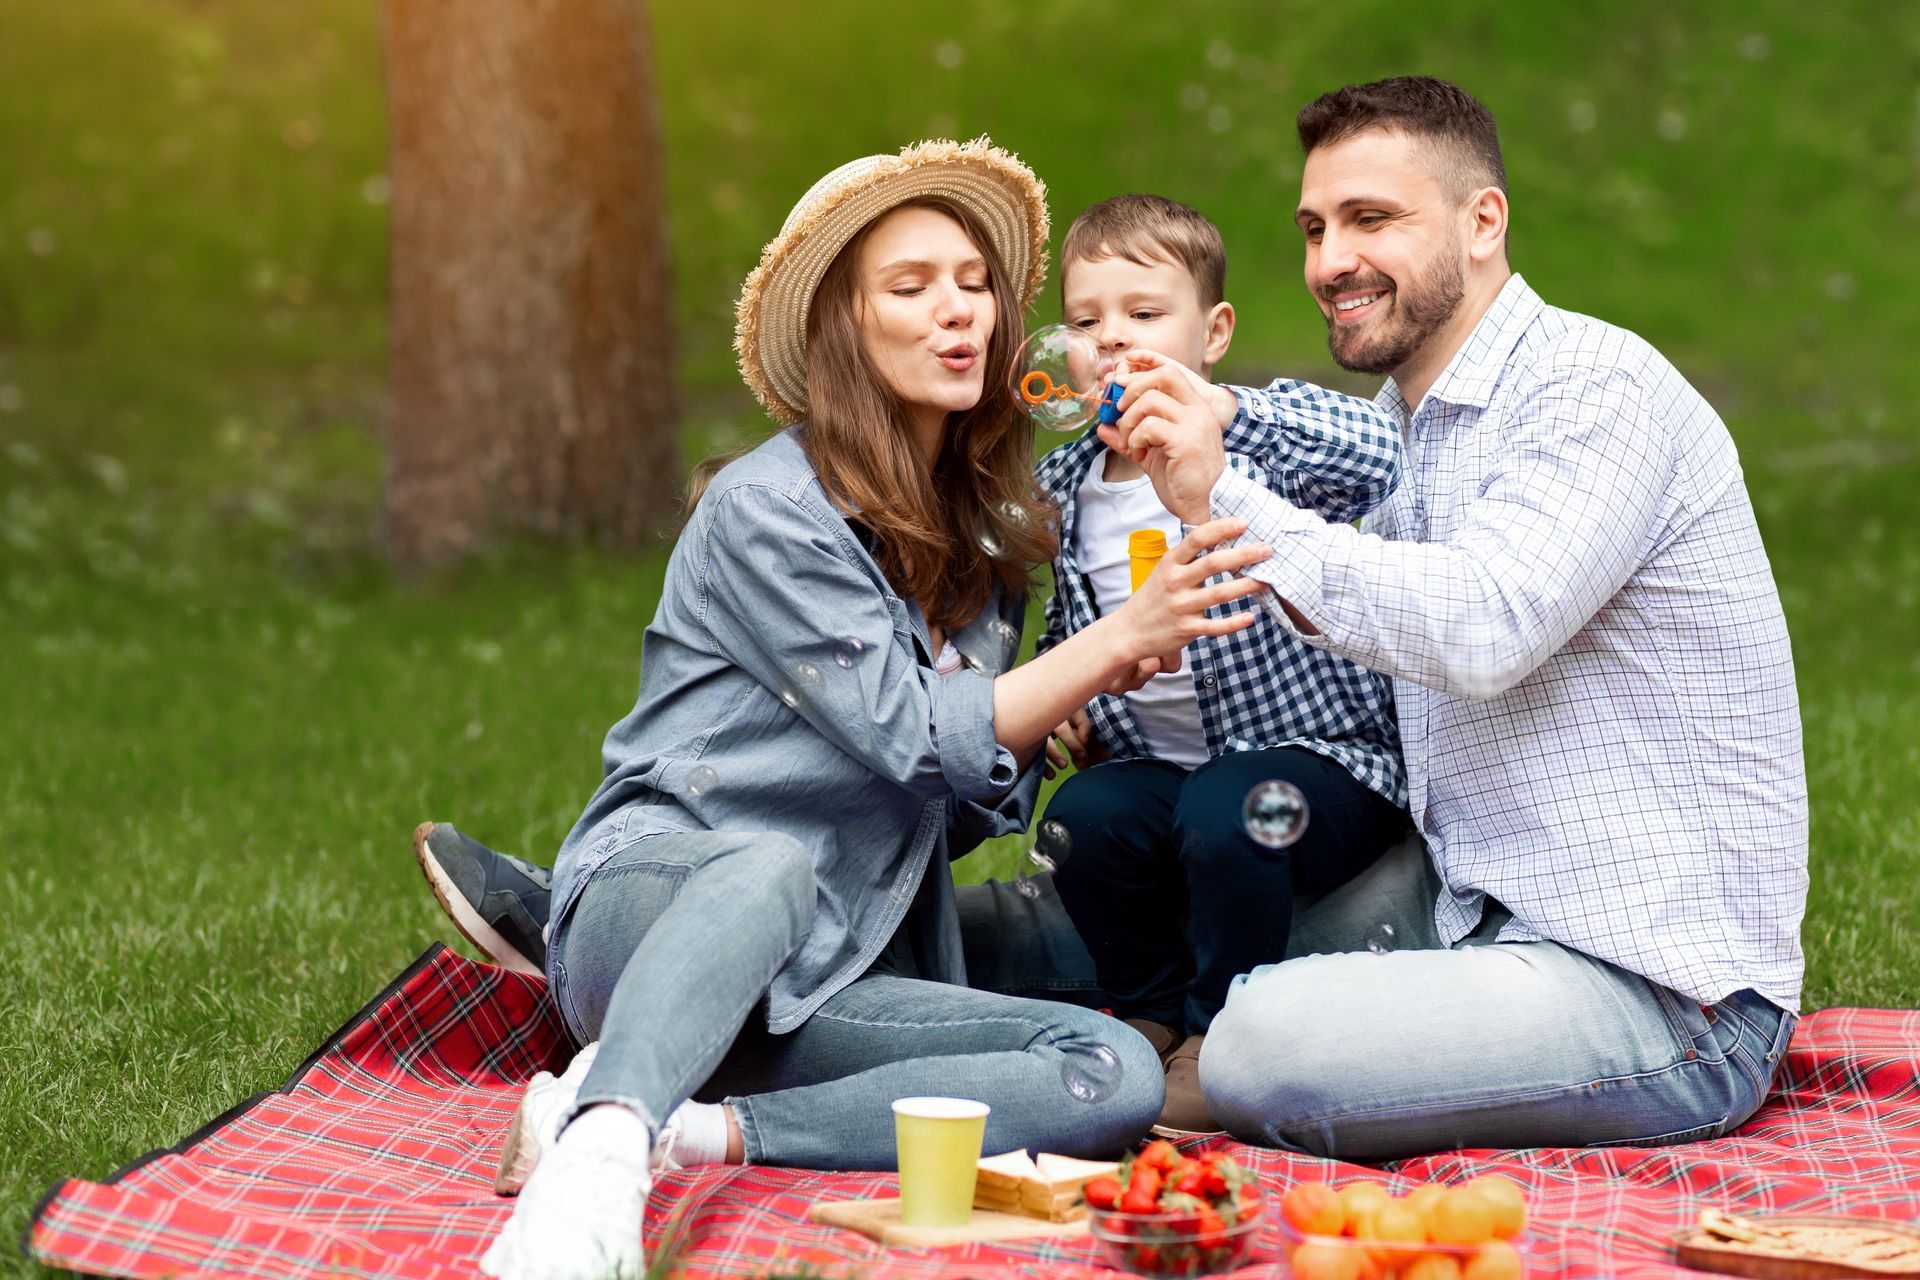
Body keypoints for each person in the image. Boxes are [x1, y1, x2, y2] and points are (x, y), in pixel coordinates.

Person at [470, 138, 1277, 1280]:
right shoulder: (769, 510)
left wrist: (1046, 729)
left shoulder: (989, 547)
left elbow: (933, 813)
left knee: (1112, 1069)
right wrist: (1111, 645)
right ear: (846, 327)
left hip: (832, 969)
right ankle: (597, 1168)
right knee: (766, 864)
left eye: (975, 283)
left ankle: (677, 1120)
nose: (959, 312)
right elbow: (912, 731)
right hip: (665, 906)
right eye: (911, 288)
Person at [1100, 76, 1808, 1159]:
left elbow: (1484, 626)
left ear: (1485, 222)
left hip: (1662, 997)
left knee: (1258, 1040)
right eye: (1315, 226)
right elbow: (1340, 638)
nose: (1330, 258)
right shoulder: (1392, 430)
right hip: (1468, 903)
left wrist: (1222, 496)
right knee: (1114, 908)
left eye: (1371, 219)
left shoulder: (1593, 387)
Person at [1032, 194, 1409, 1135]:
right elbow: (1068, 626)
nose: (1112, 341)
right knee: (1086, 813)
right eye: (1086, 321)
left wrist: (1227, 415)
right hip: (1165, 774)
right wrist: (1064, 699)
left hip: (1317, 761)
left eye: (1145, 314)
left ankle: (1219, 1037)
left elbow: (1386, 449)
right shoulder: (1063, 487)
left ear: (1214, 334)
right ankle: (1150, 1010)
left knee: (1228, 808)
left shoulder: (1257, 442)